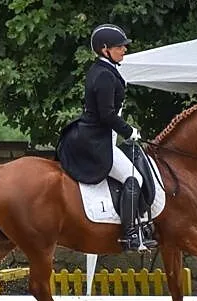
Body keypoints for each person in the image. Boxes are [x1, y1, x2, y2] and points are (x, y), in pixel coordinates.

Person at [56, 24, 158, 252]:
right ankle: (130, 234)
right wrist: (130, 131)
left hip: (98, 136)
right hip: (95, 141)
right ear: (105, 49)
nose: (124, 50)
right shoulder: (103, 75)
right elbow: (107, 115)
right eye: (119, 47)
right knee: (135, 179)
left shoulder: (103, 70)